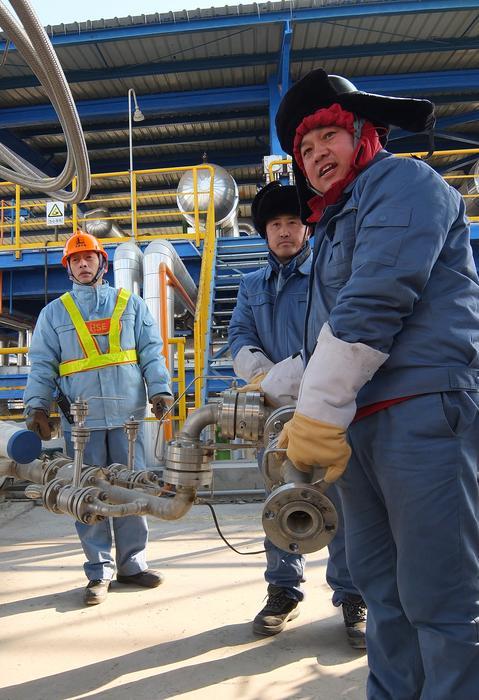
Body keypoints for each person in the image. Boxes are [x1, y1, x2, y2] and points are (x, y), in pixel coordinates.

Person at [273, 68, 479, 698]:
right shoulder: (333, 224)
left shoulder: (405, 184)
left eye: (326, 137)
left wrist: (319, 407)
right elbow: (330, 333)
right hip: (361, 424)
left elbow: (376, 299)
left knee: (440, 595)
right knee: (381, 592)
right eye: (305, 152)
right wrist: (286, 385)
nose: (315, 158)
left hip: (421, 410)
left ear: (366, 132)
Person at [228, 182, 367, 647]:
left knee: (339, 500)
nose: (284, 232)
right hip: (276, 409)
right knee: (281, 496)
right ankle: (283, 591)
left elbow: (340, 328)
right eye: (275, 225)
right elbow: (238, 336)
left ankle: (352, 595)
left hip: (328, 406)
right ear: (264, 233)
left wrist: (305, 373)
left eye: (292, 223)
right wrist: (266, 375)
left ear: (306, 228)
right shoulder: (252, 286)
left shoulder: (327, 276)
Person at [24, 231, 173, 606]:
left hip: (128, 417)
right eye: (76, 260)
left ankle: (132, 565)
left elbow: (151, 352)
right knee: (86, 493)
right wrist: (37, 406)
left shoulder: (131, 304)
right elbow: (42, 363)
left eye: (89, 257)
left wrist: (160, 390)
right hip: (82, 422)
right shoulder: (53, 314)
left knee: (131, 488)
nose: (83, 264)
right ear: (69, 268)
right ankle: (99, 572)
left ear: (102, 263)